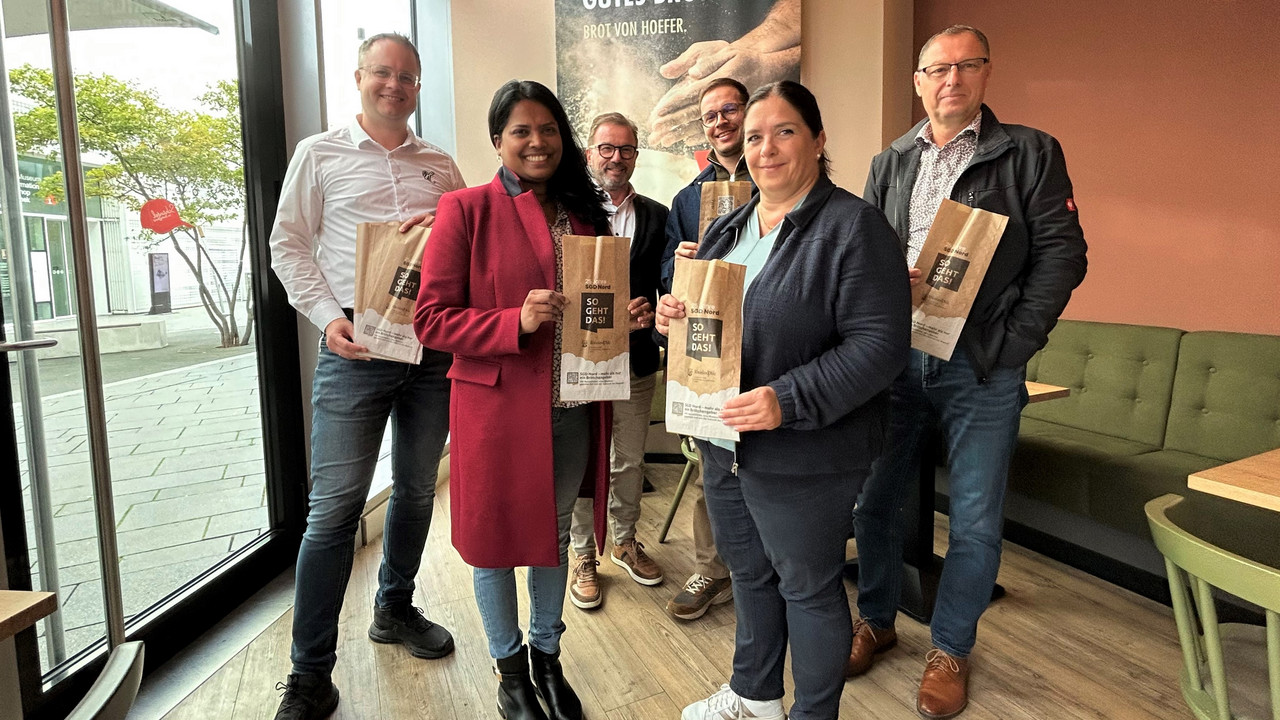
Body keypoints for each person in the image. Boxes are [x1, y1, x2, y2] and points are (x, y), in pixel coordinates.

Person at [850, 25, 1088, 720]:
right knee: (875, 501)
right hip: (897, 360)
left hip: (982, 365)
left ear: (985, 74)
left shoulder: (1031, 153)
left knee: (977, 521)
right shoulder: (890, 160)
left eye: (966, 65)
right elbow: (865, 252)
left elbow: (1063, 256)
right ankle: (878, 619)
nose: (950, 78)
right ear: (918, 81)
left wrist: (1014, 343)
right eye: (936, 68)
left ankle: (950, 648)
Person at [656, 81, 911, 720]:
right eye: (754, 137)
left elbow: (880, 346)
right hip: (723, 441)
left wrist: (786, 400)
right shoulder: (728, 228)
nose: (766, 148)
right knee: (749, 575)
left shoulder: (855, 227)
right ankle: (755, 697)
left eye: (785, 131)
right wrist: (674, 317)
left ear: (819, 140)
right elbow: (710, 322)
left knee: (809, 587)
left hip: (805, 450)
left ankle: (812, 714)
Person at [414, 80, 648, 720]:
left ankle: (548, 656)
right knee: (494, 545)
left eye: (547, 129)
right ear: (498, 141)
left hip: (573, 407)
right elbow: (431, 321)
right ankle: (509, 669)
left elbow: (591, 312)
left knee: (551, 536)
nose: (537, 141)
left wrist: (623, 316)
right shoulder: (465, 209)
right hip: (496, 411)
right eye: (520, 130)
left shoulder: (585, 215)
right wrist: (511, 321)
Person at [266, 33, 463, 720]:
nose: (396, 85)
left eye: (408, 76)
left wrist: (449, 222)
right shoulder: (317, 154)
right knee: (332, 513)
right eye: (384, 73)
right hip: (352, 343)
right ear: (359, 78)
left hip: (431, 344)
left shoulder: (441, 164)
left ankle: (395, 607)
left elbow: (469, 244)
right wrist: (327, 318)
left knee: (414, 492)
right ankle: (310, 673)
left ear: (417, 86)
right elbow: (287, 245)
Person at [657, 77, 755, 622]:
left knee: (771, 460)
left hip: (770, 336)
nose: (720, 122)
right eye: (710, 115)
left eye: (729, 110)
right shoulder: (688, 197)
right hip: (711, 342)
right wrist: (683, 260)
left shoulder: (778, 178)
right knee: (714, 462)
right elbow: (669, 276)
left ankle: (774, 569)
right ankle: (712, 569)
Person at [567, 112, 666, 610]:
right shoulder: (569, 211)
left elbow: (664, 282)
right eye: (606, 147)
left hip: (635, 355)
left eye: (625, 149)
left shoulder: (658, 214)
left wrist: (649, 310)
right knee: (585, 457)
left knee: (629, 457)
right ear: (589, 154)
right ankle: (583, 554)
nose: (615, 157)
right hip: (581, 358)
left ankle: (624, 540)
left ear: (635, 157)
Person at [647, 0, 800, 150]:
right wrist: (737, 53)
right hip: (694, 83)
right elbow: (784, 24)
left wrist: (772, 65)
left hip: (785, 109)